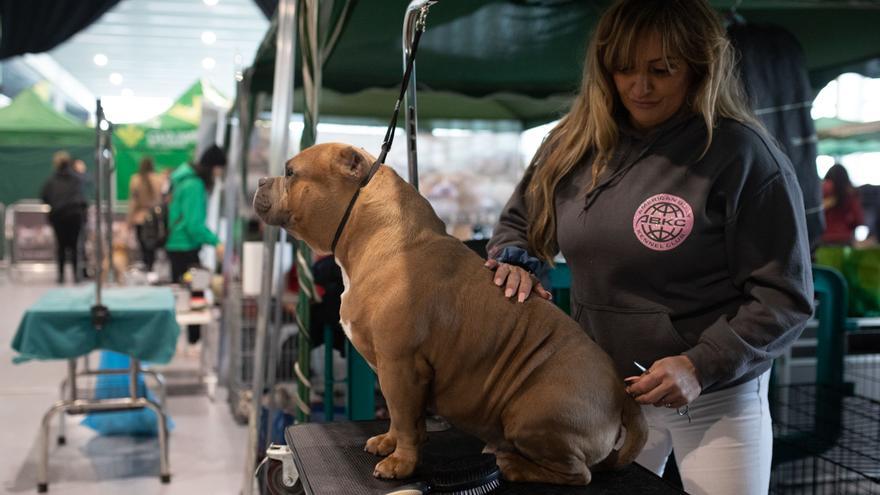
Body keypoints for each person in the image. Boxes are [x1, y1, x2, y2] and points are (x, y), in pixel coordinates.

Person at [485, 1, 813, 493]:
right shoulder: (572, 145)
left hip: (714, 398)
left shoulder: (743, 155)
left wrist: (701, 364)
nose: (640, 87)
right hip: (599, 392)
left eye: (662, 70)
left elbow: (784, 298)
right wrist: (517, 261)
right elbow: (520, 224)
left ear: (699, 67)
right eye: (624, 69)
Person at [166, 144, 226, 345]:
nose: (220, 174)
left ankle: (184, 341)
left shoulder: (183, 180)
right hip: (186, 247)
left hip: (176, 245)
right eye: (220, 169)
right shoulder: (195, 185)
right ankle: (193, 343)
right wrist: (216, 242)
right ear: (213, 167)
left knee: (183, 295)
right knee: (194, 296)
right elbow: (194, 225)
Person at [40, 151, 87, 284]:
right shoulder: (77, 180)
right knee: (74, 246)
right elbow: (82, 199)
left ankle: (61, 276)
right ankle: (76, 276)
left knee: (61, 247)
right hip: (74, 217)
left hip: (58, 217)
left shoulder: (51, 181)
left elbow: (44, 197)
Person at [127, 156, 166, 271]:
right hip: (156, 218)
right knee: (153, 248)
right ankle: (153, 269)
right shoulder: (159, 179)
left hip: (140, 217)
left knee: (143, 249)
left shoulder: (135, 180)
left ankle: (147, 269)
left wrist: (129, 221)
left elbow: (133, 203)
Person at [821, 163, 864, 245]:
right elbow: (858, 219)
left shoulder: (824, 189)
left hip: (824, 240)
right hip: (845, 240)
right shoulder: (850, 192)